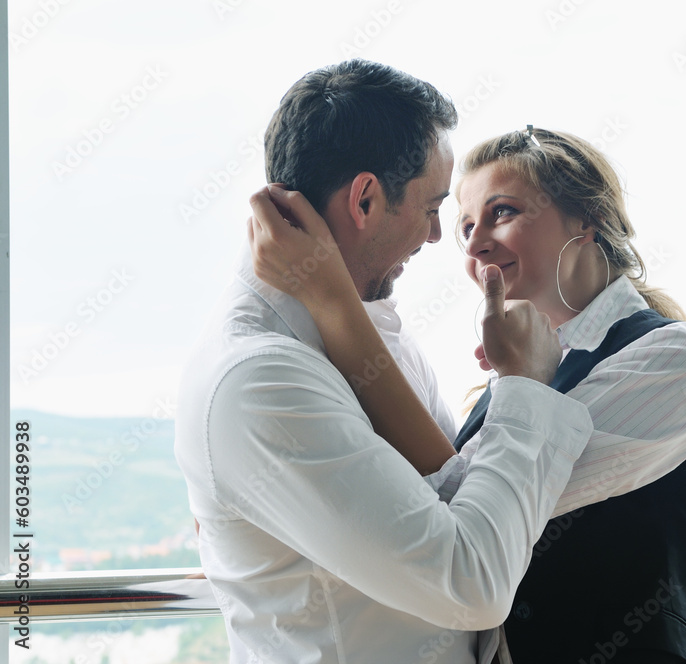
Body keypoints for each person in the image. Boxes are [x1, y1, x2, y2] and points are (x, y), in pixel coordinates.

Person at [249, 125, 686, 663]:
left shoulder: (680, 359)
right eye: (465, 224)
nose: (474, 241)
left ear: (586, 217)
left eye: (503, 212)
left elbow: (459, 506)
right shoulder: (511, 382)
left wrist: (331, 298)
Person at [174, 60, 601, 664]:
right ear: (366, 200)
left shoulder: (369, 330)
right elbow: (470, 583)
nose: (434, 237)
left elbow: (455, 494)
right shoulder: (259, 378)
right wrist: (523, 387)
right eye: (432, 209)